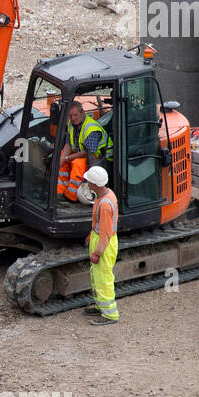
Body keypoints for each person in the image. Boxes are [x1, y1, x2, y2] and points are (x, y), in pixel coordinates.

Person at [83, 165, 119, 326]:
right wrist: (91, 234)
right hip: (99, 239)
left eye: (89, 181)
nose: (87, 183)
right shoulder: (104, 194)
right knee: (96, 276)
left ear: (95, 184)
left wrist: (97, 252)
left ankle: (110, 314)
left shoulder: (105, 203)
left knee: (103, 278)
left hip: (103, 243)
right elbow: (99, 226)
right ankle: (100, 306)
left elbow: (105, 233)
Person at [57, 101, 113, 203]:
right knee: (60, 156)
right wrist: (62, 158)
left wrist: (67, 158)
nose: (73, 118)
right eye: (70, 116)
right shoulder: (71, 124)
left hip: (100, 159)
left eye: (75, 115)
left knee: (78, 164)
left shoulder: (91, 130)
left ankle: (71, 196)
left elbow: (88, 153)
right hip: (82, 154)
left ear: (82, 113)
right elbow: (68, 144)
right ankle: (60, 192)